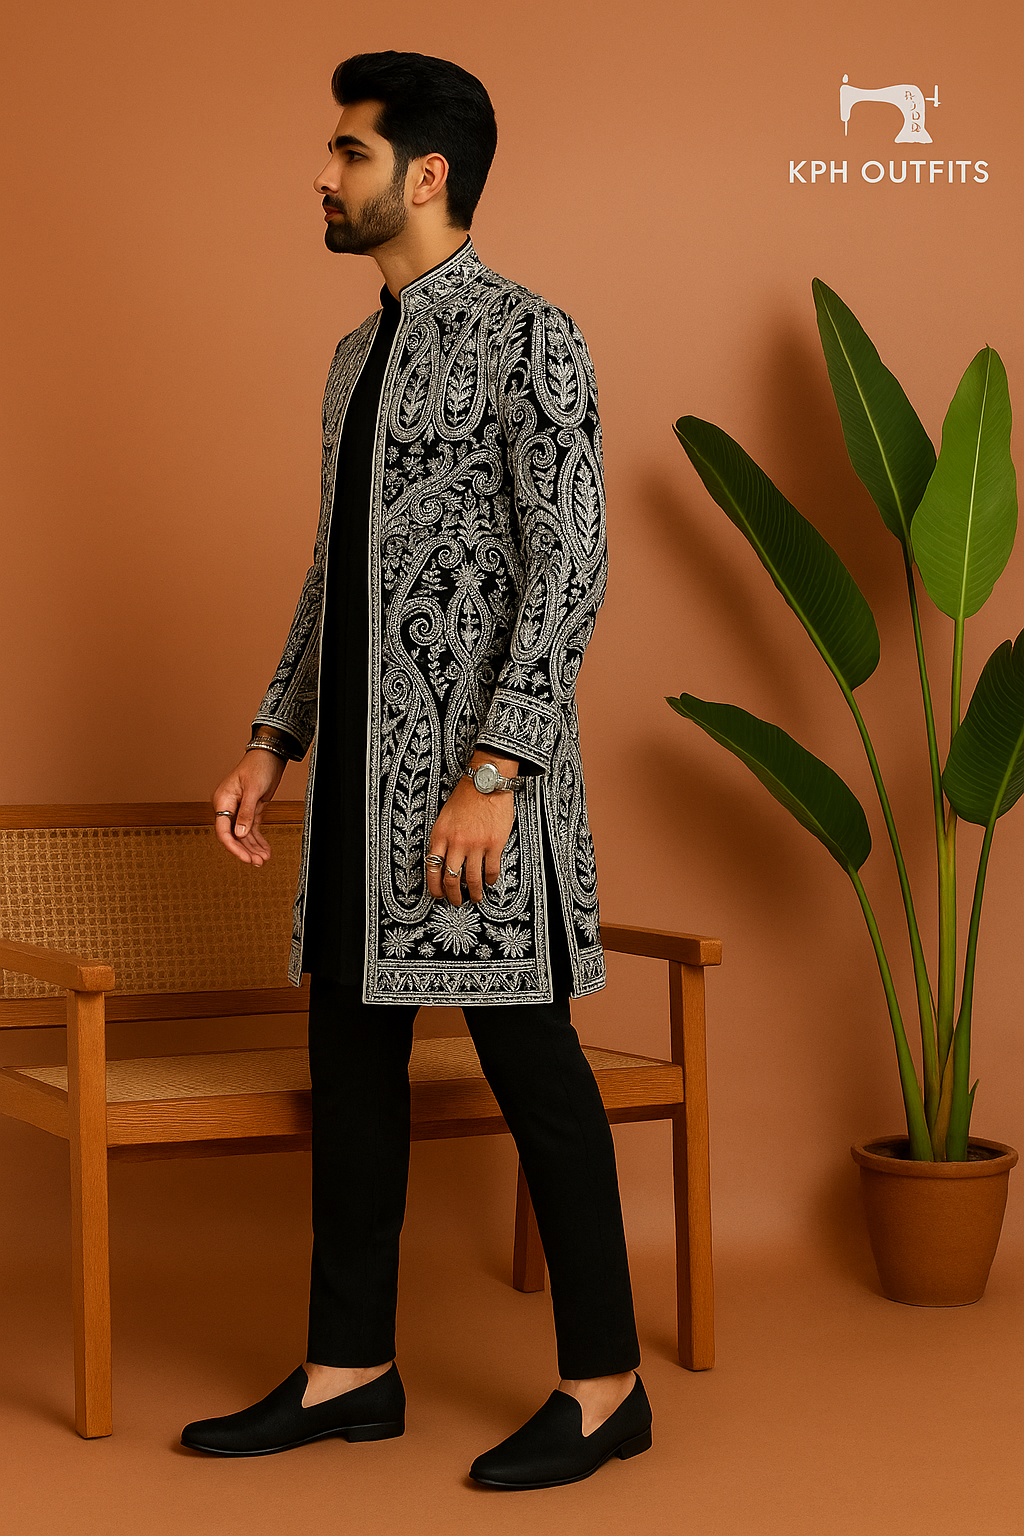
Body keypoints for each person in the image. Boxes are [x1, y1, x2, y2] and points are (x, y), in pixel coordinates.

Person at [182, 51, 651, 1490]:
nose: (322, 178)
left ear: (424, 171)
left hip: (476, 799)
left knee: (536, 1071)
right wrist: (273, 741)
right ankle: (350, 1371)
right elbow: (336, 577)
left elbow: (572, 556)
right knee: (353, 1069)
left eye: (346, 151)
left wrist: (498, 766)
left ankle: (606, 1384)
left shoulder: (529, 337)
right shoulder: (351, 357)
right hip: (353, 806)